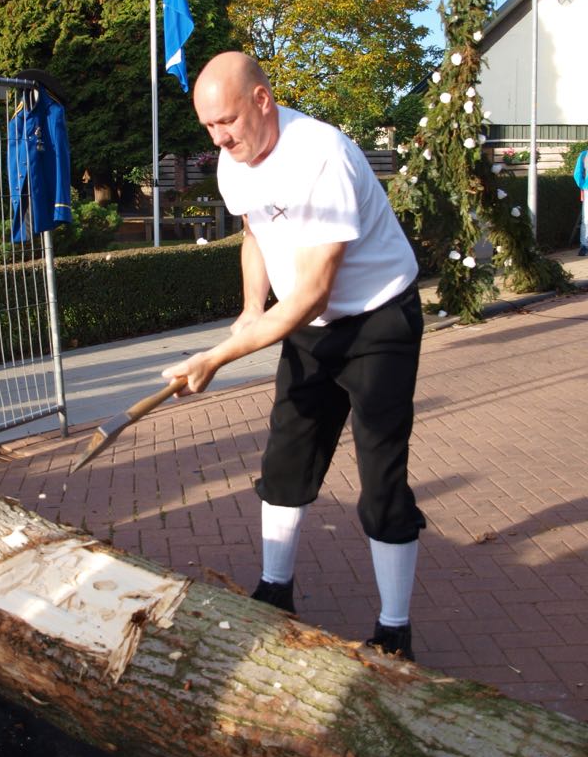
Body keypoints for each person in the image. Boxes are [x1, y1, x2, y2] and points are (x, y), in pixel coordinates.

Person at [162, 52, 424, 659]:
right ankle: (275, 591)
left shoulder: (322, 156)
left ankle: (394, 630)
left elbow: (310, 293)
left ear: (262, 100)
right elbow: (255, 234)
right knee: (286, 456)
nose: (219, 138)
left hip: (378, 318)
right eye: (207, 127)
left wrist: (219, 355)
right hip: (307, 323)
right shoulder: (235, 162)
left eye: (226, 120)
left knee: (380, 477)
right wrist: (253, 306)